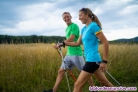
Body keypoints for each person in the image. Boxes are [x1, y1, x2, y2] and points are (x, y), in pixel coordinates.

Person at [59, 8, 118, 92]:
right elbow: (77, 43)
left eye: (80, 15)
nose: (79, 18)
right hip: (91, 60)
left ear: (87, 14)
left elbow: (105, 42)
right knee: (105, 83)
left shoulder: (94, 26)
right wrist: (63, 43)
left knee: (77, 85)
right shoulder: (83, 29)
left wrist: (104, 61)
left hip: (93, 60)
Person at [43, 12, 96, 92]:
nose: (66, 18)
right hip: (69, 54)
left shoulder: (74, 26)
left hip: (76, 54)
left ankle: (94, 90)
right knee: (61, 71)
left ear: (71, 17)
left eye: (67, 16)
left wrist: (60, 44)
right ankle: (53, 91)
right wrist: (60, 44)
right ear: (63, 19)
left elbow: (71, 38)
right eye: (64, 17)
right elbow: (68, 41)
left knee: (85, 73)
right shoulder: (67, 28)